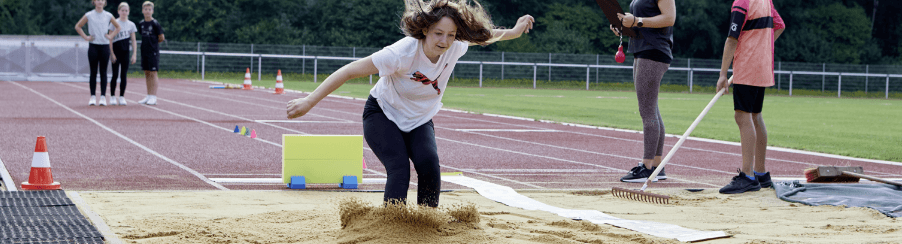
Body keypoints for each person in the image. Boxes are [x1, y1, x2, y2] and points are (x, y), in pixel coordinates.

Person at [286, 0, 534, 207]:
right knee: (399, 169)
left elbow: (487, 36)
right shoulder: (401, 54)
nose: (444, 42)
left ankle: (425, 226)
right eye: (438, 33)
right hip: (382, 113)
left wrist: (514, 31)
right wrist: (309, 101)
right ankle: (393, 228)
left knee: (429, 165)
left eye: (451, 35)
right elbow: (350, 70)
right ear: (425, 30)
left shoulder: (455, 46)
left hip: (419, 119)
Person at [715, 0, 785, 194]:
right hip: (762, 66)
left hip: (747, 66)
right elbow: (779, 26)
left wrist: (722, 74)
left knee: (742, 116)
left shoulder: (742, 2)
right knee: (755, 115)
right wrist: (761, 47)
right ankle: (760, 173)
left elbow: (732, 38)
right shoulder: (765, 1)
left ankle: (747, 175)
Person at [609, 0, 676, 183]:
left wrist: (637, 21)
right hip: (641, 50)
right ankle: (656, 166)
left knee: (647, 112)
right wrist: (625, 27)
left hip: (653, 52)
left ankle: (647, 168)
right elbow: (643, 23)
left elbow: (669, 18)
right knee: (652, 110)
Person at [75, 0, 121, 106]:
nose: (100, 2)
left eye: (102, 0)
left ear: (105, 2)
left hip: (104, 46)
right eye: (97, 0)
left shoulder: (108, 15)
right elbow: (78, 26)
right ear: (94, 2)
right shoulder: (89, 15)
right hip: (93, 46)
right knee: (93, 72)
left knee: (103, 72)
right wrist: (86, 37)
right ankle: (92, 97)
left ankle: (103, 97)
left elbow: (118, 27)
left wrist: (111, 36)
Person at [108, 2, 138, 106]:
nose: (124, 12)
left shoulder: (131, 24)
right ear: (118, 11)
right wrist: (111, 53)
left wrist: (134, 54)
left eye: (126, 10)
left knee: (123, 75)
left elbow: (133, 40)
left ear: (128, 12)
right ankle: (112, 96)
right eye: (122, 10)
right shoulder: (114, 23)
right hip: (116, 52)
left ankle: (121, 96)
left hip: (125, 52)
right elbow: (110, 39)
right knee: (115, 74)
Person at [137, 1, 164, 105]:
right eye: (145, 9)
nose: (147, 11)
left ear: (152, 11)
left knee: (153, 73)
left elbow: (161, 37)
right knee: (147, 73)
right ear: (142, 11)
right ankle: (148, 95)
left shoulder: (155, 23)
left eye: (149, 9)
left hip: (153, 52)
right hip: (144, 51)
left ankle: (154, 96)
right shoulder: (141, 23)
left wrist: (153, 45)